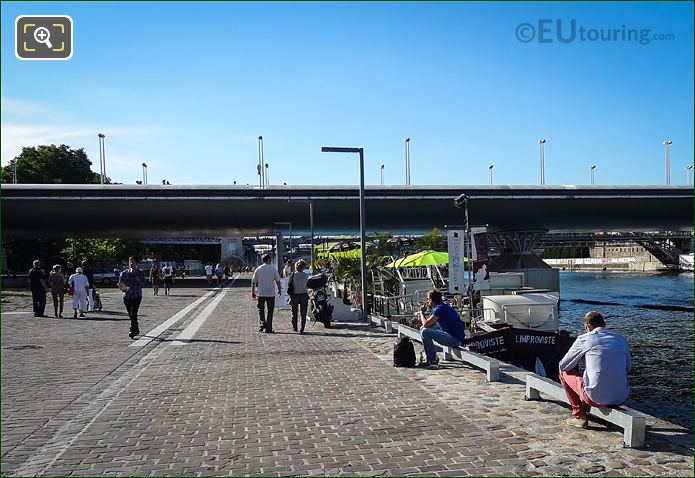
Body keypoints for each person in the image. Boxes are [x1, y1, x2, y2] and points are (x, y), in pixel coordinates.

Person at [558, 311, 631, 428]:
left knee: (562, 372)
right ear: (603, 324)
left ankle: (579, 415)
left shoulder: (584, 339)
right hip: (621, 396)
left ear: (588, 326)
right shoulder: (620, 339)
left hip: (595, 397)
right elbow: (628, 368)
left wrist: (581, 359)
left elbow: (563, 365)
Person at [418, 289, 467, 369]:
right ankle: (431, 357)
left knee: (424, 331)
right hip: (455, 337)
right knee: (423, 329)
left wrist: (422, 313)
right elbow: (430, 324)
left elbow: (426, 324)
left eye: (428, 299)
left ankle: (432, 360)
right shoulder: (442, 306)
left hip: (454, 339)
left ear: (431, 300)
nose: (427, 301)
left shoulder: (439, 309)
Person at [251, 254, 281, 333]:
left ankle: (262, 323)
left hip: (261, 293)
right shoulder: (273, 269)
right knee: (270, 311)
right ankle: (269, 328)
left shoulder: (258, 269)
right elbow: (277, 280)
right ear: (268, 260)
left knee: (260, 309)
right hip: (271, 293)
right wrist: (279, 289)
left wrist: (253, 292)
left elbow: (254, 282)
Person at [118, 256, 145, 340]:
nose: (131, 264)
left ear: (136, 263)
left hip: (136, 295)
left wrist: (135, 275)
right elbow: (120, 283)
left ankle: (133, 330)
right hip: (127, 296)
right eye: (130, 262)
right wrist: (121, 287)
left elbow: (142, 284)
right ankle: (135, 329)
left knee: (134, 313)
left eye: (133, 262)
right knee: (130, 315)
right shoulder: (124, 273)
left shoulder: (140, 272)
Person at [288, 260, 310, 334]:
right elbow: (307, 285)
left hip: (294, 295)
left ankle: (295, 327)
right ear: (304, 267)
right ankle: (302, 328)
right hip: (304, 295)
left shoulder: (293, 274)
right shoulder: (306, 275)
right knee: (303, 313)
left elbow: (289, 284)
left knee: (294, 312)